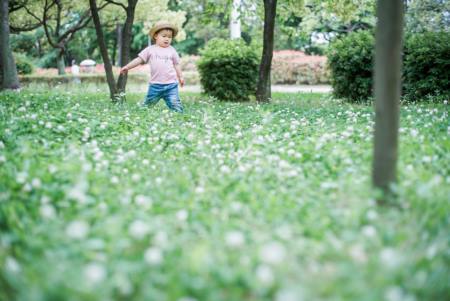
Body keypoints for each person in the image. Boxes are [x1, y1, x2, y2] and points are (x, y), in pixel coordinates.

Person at [120, 21, 185, 113]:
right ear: (155, 36)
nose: (167, 39)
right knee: (147, 105)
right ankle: (141, 116)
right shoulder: (150, 49)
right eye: (164, 36)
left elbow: (176, 64)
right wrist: (127, 67)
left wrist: (180, 77)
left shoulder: (172, 50)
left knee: (176, 105)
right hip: (155, 85)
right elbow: (139, 60)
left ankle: (180, 118)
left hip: (171, 85)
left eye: (169, 37)